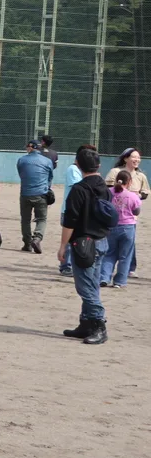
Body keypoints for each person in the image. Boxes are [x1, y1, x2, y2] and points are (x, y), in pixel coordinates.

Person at [58, 146, 112, 345]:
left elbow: (70, 221)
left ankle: (99, 324)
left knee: (85, 288)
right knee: (92, 285)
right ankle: (86, 323)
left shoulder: (79, 189)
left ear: (78, 165)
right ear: (99, 165)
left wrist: (63, 245)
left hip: (83, 243)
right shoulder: (104, 187)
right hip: (101, 241)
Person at [105, 148, 149, 278]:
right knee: (112, 245)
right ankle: (108, 271)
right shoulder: (115, 172)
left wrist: (137, 196)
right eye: (134, 157)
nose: (137, 160)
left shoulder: (140, 176)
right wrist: (124, 194)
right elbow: (108, 189)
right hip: (114, 214)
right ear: (125, 158)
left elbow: (145, 193)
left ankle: (130, 268)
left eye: (138, 157)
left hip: (130, 215)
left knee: (129, 242)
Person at [99, 170, 140, 288]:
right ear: (129, 182)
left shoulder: (108, 192)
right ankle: (120, 281)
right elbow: (136, 211)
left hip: (111, 226)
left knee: (109, 254)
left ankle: (104, 277)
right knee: (125, 256)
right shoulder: (132, 196)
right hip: (128, 227)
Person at [16, 139, 54, 254]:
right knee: (41, 219)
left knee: (25, 220)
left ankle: (27, 244)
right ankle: (37, 238)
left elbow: (21, 174)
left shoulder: (21, 160)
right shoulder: (47, 161)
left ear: (31, 148)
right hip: (41, 194)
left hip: (25, 193)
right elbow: (50, 178)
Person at [59, 153, 84, 277]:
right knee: (68, 240)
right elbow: (77, 186)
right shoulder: (73, 169)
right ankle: (65, 266)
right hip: (69, 210)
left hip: (78, 210)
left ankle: (72, 265)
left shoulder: (81, 171)